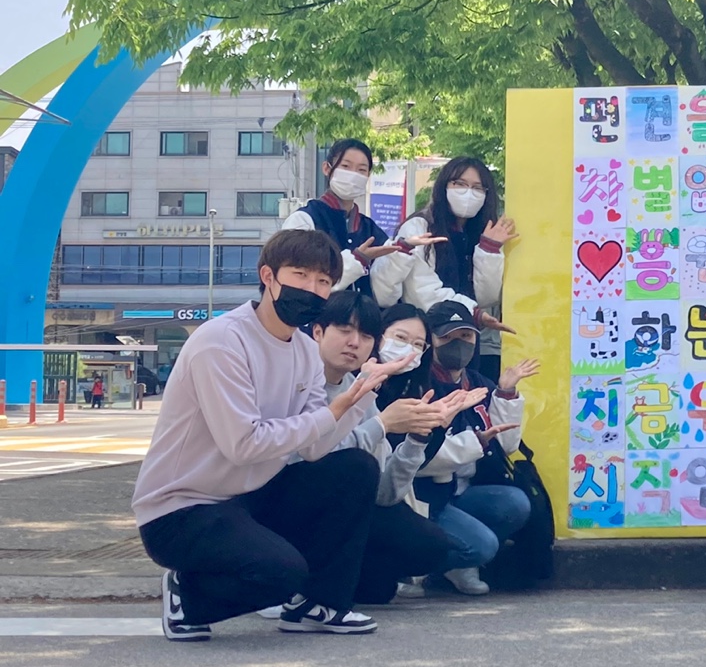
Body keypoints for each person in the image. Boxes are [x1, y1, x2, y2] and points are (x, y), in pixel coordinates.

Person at [130, 229, 412, 641]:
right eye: (300, 275)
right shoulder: (221, 342)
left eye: (323, 281)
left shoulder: (305, 351)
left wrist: (358, 396)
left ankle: (320, 604)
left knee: (355, 467)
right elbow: (243, 444)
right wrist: (333, 411)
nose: (312, 289)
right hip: (182, 509)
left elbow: (314, 448)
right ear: (268, 276)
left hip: (248, 498)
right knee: (281, 573)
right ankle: (187, 597)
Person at [309, 290, 484, 604]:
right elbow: (313, 456)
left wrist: (420, 437)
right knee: (357, 466)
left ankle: (341, 577)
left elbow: (385, 493)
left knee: (421, 553)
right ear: (318, 332)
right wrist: (383, 424)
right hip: (294, 502)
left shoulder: (397, 390)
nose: (354, 343)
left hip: (371, 507)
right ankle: (306, 585)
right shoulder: (301, 382)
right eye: (345, 331)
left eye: (418, 345)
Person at [384, 300, 537, 595]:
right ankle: (407, 567)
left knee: (515, 503)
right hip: (422, 497)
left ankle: (451, 564)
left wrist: (505, 393)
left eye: (465, 336)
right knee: (483, 546)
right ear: (430, 342)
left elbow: (506, 445)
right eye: (447, 337)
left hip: (460, 491)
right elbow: (418, 460)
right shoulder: (418, 384)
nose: (458, 344)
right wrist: (475, 443)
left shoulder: (478, 383)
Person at [371, 157, 516, 379]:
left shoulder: (481, 231)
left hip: (466, 336)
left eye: (477, 188)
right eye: (460, 184)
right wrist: (473, 312)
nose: (468, 193)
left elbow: (486, 297)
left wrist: (490, 249)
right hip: (427, 335)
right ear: (444, 185)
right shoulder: (420, 226)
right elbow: (422, 291)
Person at [282, 138, 443, 297]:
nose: (353, 175)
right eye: (345, 166)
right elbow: (299, 281)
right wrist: (358, 259)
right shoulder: (304, 220)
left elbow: (384, 295)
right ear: (326, 168)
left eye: (361, 170)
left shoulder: (369, 228)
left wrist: (403, 249)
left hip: (363, 313)